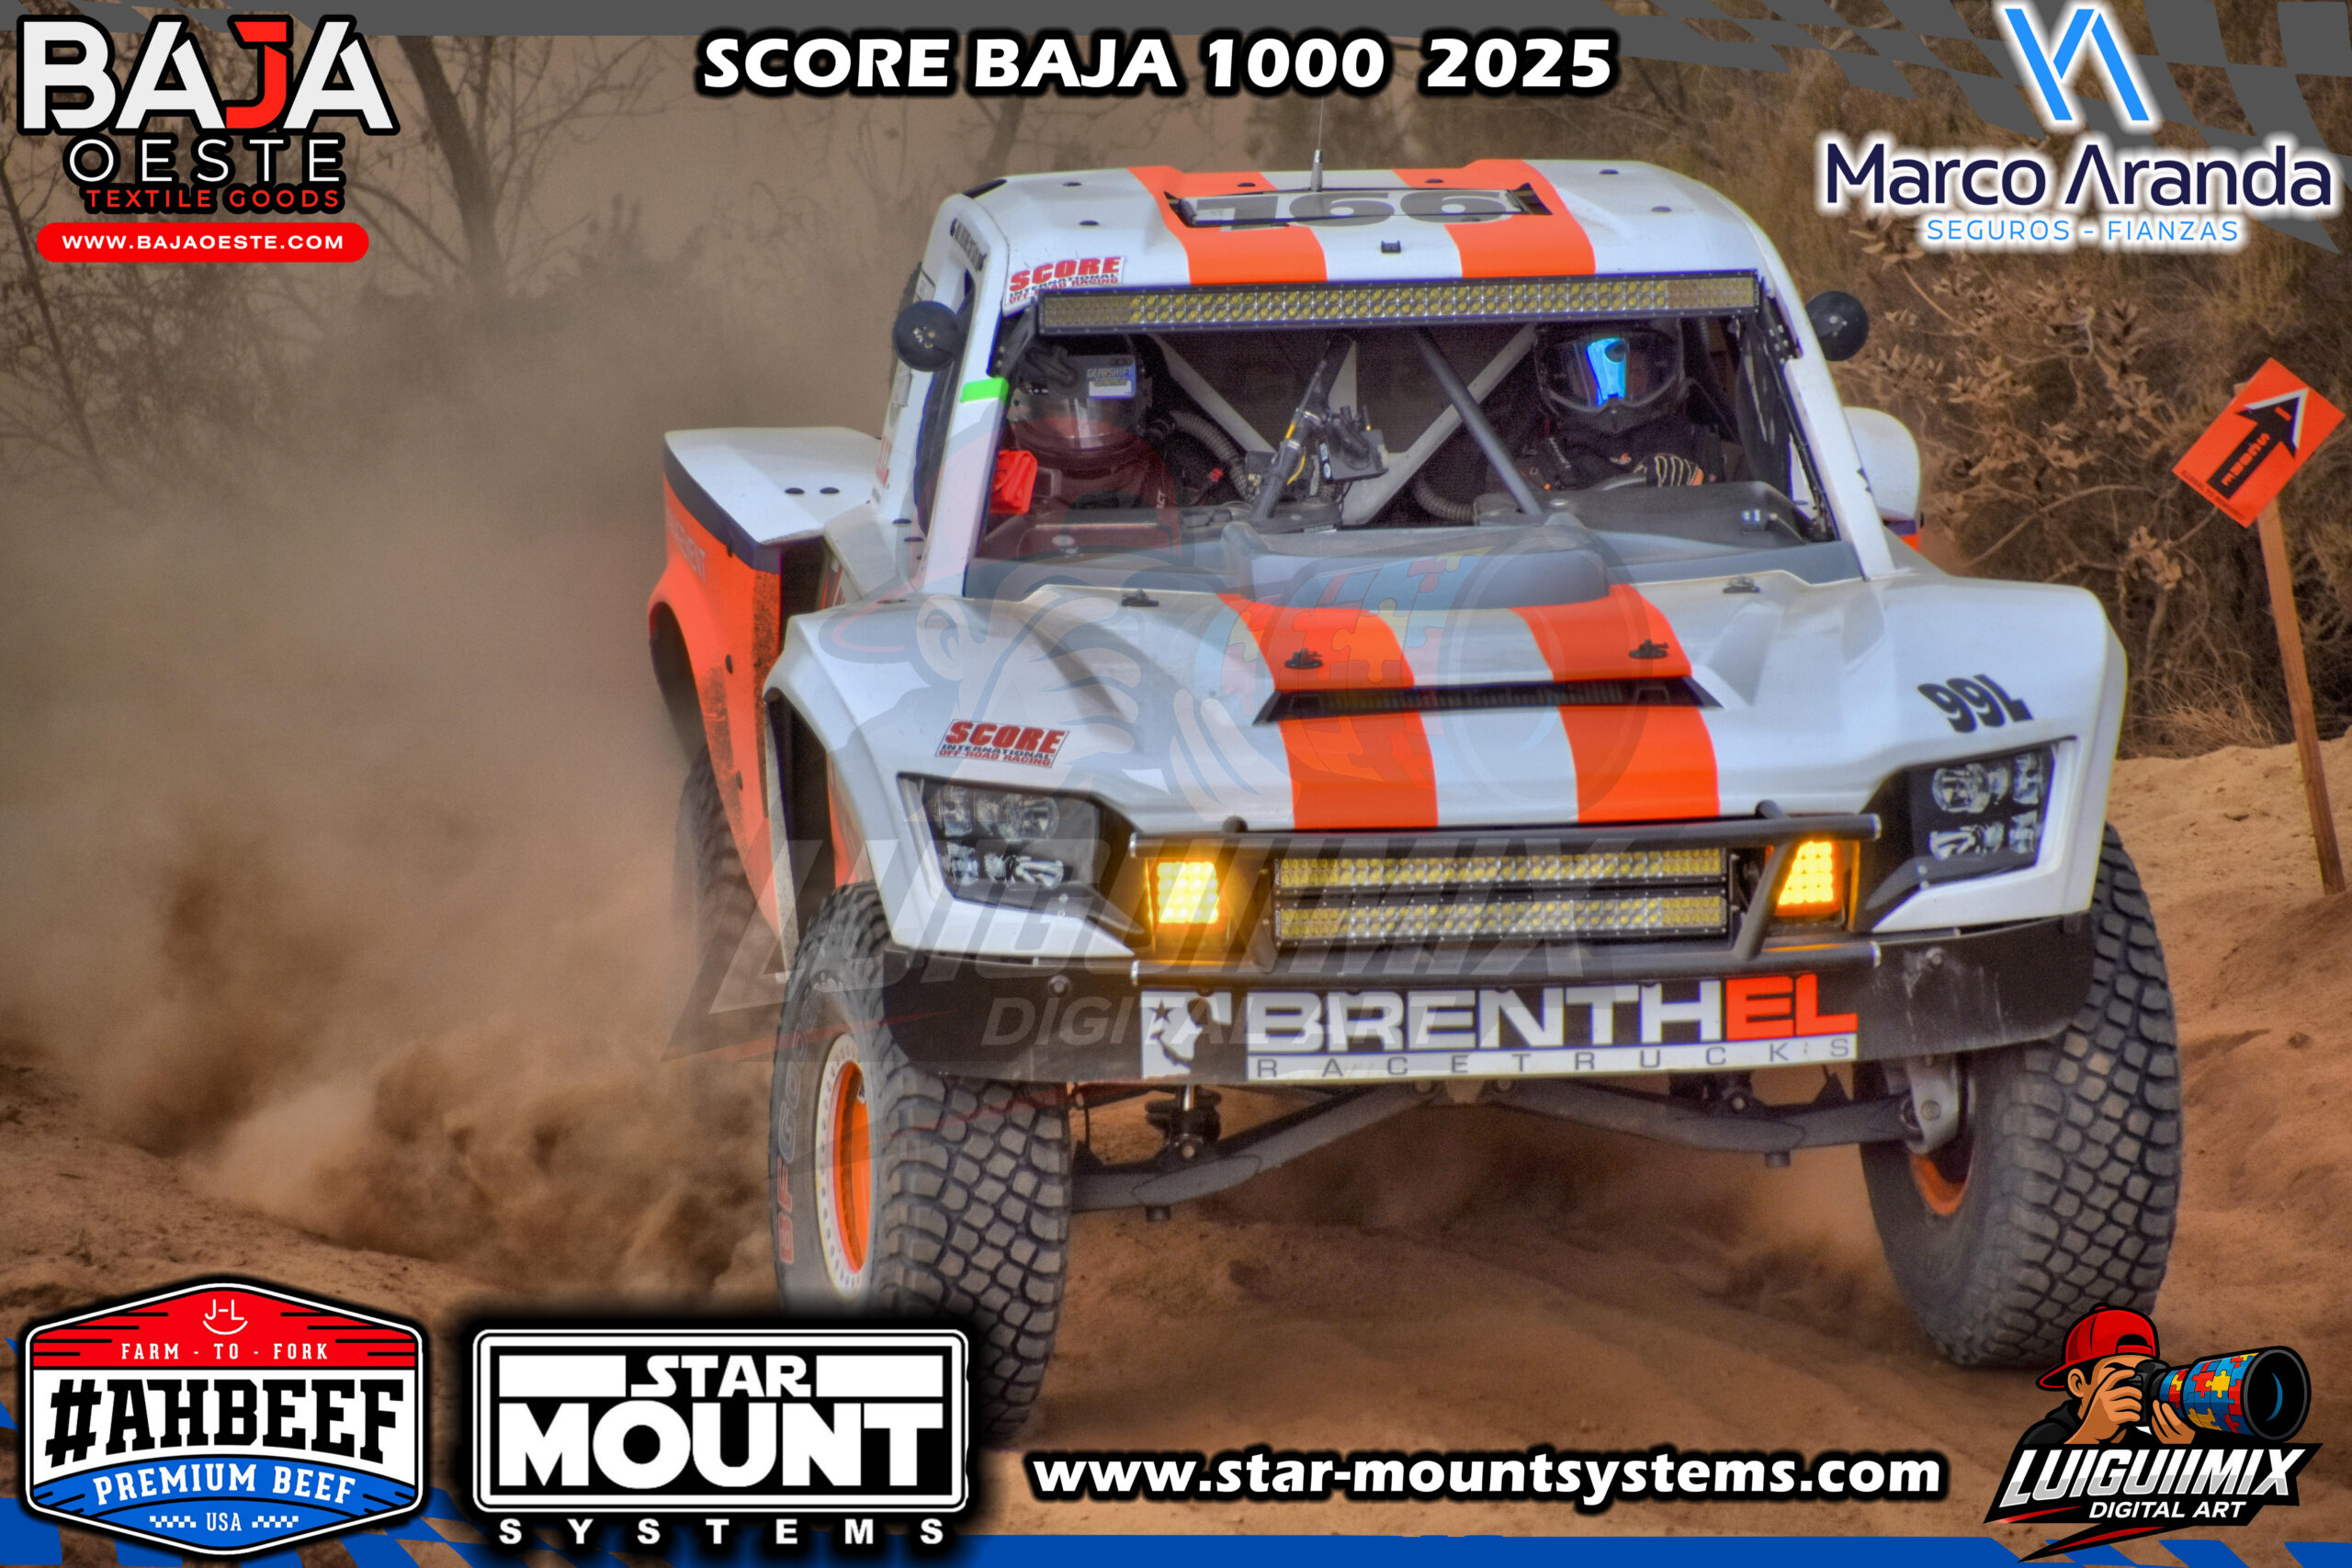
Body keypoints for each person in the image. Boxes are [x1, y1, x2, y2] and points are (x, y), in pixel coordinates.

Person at [1525, 321, 1728, 491]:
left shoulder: (1715, 456)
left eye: (1634, 371)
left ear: (1657, 373)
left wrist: (1698, 493)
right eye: (1588, 373)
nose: (1613, 396)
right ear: (1564, 381)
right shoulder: (1535, 473)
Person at [2015, 1305, 2199, 1449]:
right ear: (2078, 1384)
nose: (2137, 1386)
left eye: (2145, 1374)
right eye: (2119, 1374)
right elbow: (2033, 1482)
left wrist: (2185, 1450)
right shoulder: (2049, 1435)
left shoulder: (2147, 1438)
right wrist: (2089, 1435)